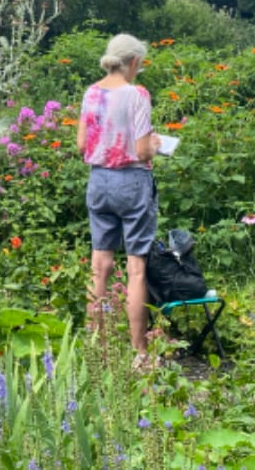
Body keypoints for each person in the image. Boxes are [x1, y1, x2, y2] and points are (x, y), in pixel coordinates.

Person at [76, 33, 161, 354]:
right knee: (136, 269)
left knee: (100, 266)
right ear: (134, 62)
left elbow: (83, 145)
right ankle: (139, 352)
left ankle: (96, 346)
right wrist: (153, 144)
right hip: (132, 184)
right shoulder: (137, 94)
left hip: (99, 182)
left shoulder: (91, 93)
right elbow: (141, 150)